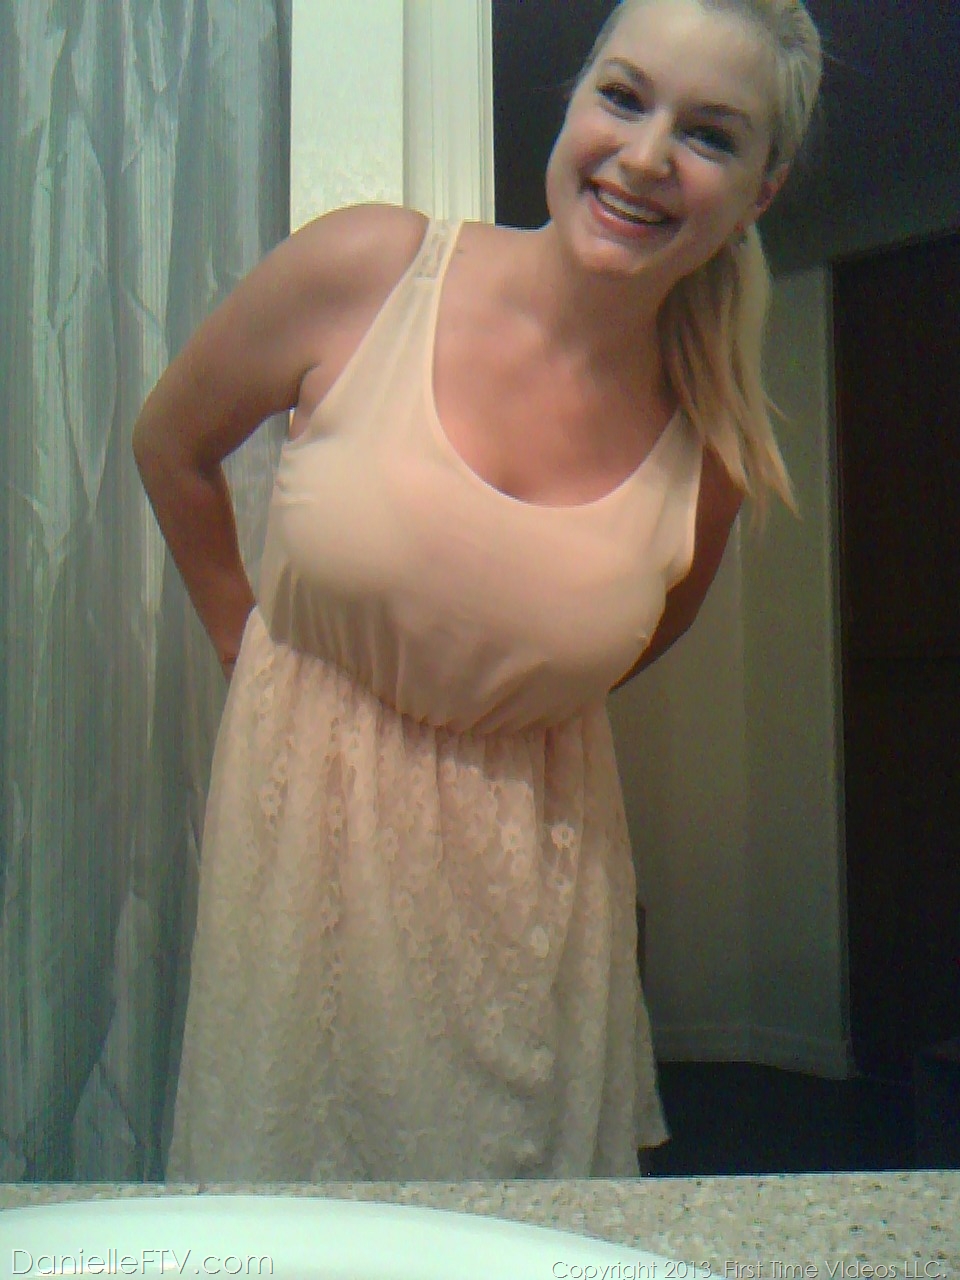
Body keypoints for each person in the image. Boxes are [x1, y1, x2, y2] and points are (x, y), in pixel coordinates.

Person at [133, 0, 822, 1180]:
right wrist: (247, 647)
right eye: (623, 96)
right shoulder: (366, 270)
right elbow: (171, 444)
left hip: (529, 902)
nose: (646, 155)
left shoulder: (712, 453)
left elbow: (639, 638)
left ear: (761, 191)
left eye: (710, 134)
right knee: (287, 1208)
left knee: (515, 1218)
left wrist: (507, 689)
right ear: (576, 100)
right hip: (305, 855)